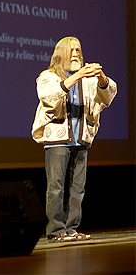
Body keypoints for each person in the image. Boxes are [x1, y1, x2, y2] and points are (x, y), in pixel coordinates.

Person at [32, 37, 117, 242]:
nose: (77, 54)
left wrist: (101, 76)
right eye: (72, 50)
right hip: (57, 141)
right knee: (56, 186)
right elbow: (49, 98)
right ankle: (55, 231)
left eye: (78, 50)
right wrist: (76, 76)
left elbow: (108, 95)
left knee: (78, 188)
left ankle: (71, 229)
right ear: (61, 53)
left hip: (81, 141)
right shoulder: (48, 76)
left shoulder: (88, 79)